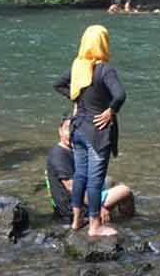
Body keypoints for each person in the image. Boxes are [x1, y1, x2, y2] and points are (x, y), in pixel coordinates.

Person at [52, 24, 126, 237]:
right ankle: (95, 225)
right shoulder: (104, 69)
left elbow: (57, 84)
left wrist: (75, 97)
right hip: (97, 132)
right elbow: (120, 95)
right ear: (103, 44)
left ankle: (76, 221)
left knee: (80, 175)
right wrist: (111, 110)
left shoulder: (78, 67)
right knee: (95, 179)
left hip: (78, 129)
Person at [45, 114, 135, 224]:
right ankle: (128, 222)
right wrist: (96, 208)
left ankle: (116, 215)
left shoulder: (72, 150)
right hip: (72, 209)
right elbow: (72, 187)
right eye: (67, 129)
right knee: (125, 191)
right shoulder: (59, 155)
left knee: (109, 181)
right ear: (60, 130)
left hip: (78, 198)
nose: (71, 134)